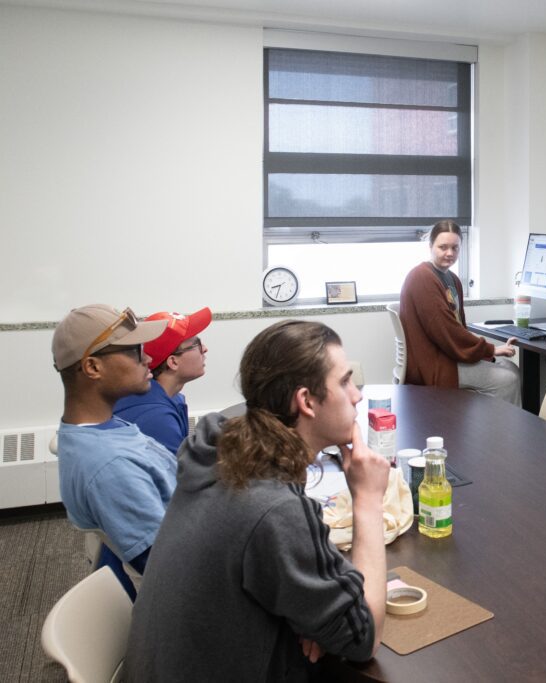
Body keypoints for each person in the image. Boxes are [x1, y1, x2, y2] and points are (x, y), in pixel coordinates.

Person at [126, 320, 390, 681]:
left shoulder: (220, 447)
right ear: (306, 401)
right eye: (345, 382)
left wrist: (315, 618)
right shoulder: (274, 508)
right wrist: (368, 500)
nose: (357, 395)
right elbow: (363, 637)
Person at [52, 304, 178, 587]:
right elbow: (171, 570)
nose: (147, 358)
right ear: (93, 367)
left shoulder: (103, 427)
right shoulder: (111, 467)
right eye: (135, 351)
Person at [399, 220, 522, 405]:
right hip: (437, 363)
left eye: (455, 248)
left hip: (450, 355)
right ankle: (501, 433)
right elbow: (446, 330)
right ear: (430, 246)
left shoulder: (452, 279)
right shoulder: (422, 278)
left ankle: (495, 428)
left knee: (512, 368)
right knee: (507, 380)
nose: (450, 253)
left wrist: (485, 352)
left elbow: (458, 328)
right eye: (443, 247)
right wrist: (490, 349)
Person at [114, 307, 211, 454]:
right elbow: (175, 475)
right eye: (196, 344)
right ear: (173, 362)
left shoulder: (171, 398)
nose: (204, 349)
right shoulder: (157, 419)